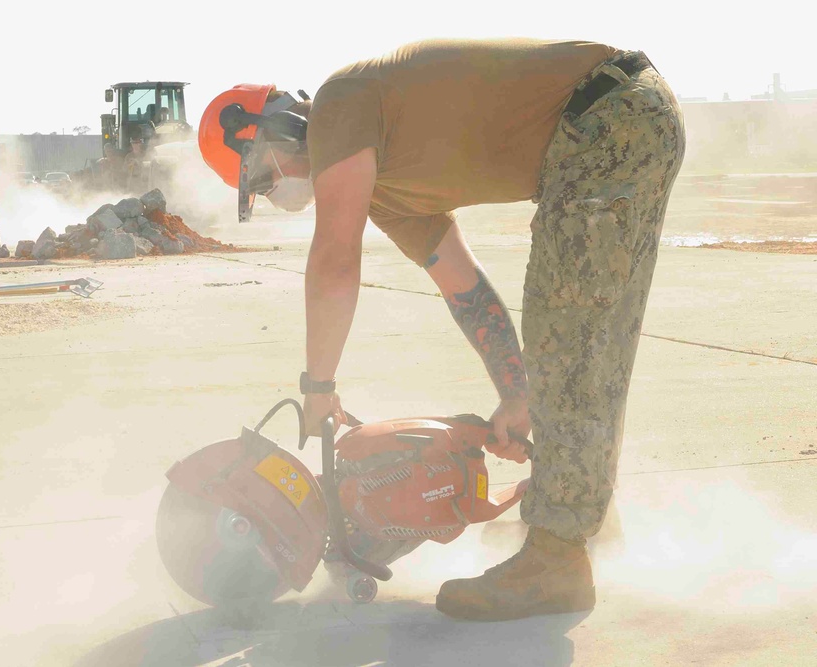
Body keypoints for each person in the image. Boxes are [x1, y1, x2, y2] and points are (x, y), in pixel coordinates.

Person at [198, 38, 686, 622]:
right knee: (590, 339)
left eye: (261, 179)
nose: (273, 194)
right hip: (628, 113)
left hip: (604, 114)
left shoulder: (338, 106)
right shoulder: (392, 192)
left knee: (568, 334)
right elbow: (466, 289)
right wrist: (516, 392)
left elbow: (334, 257)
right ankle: (581, 519)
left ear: (277, 132)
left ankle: (557, 558)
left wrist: (318, 386)